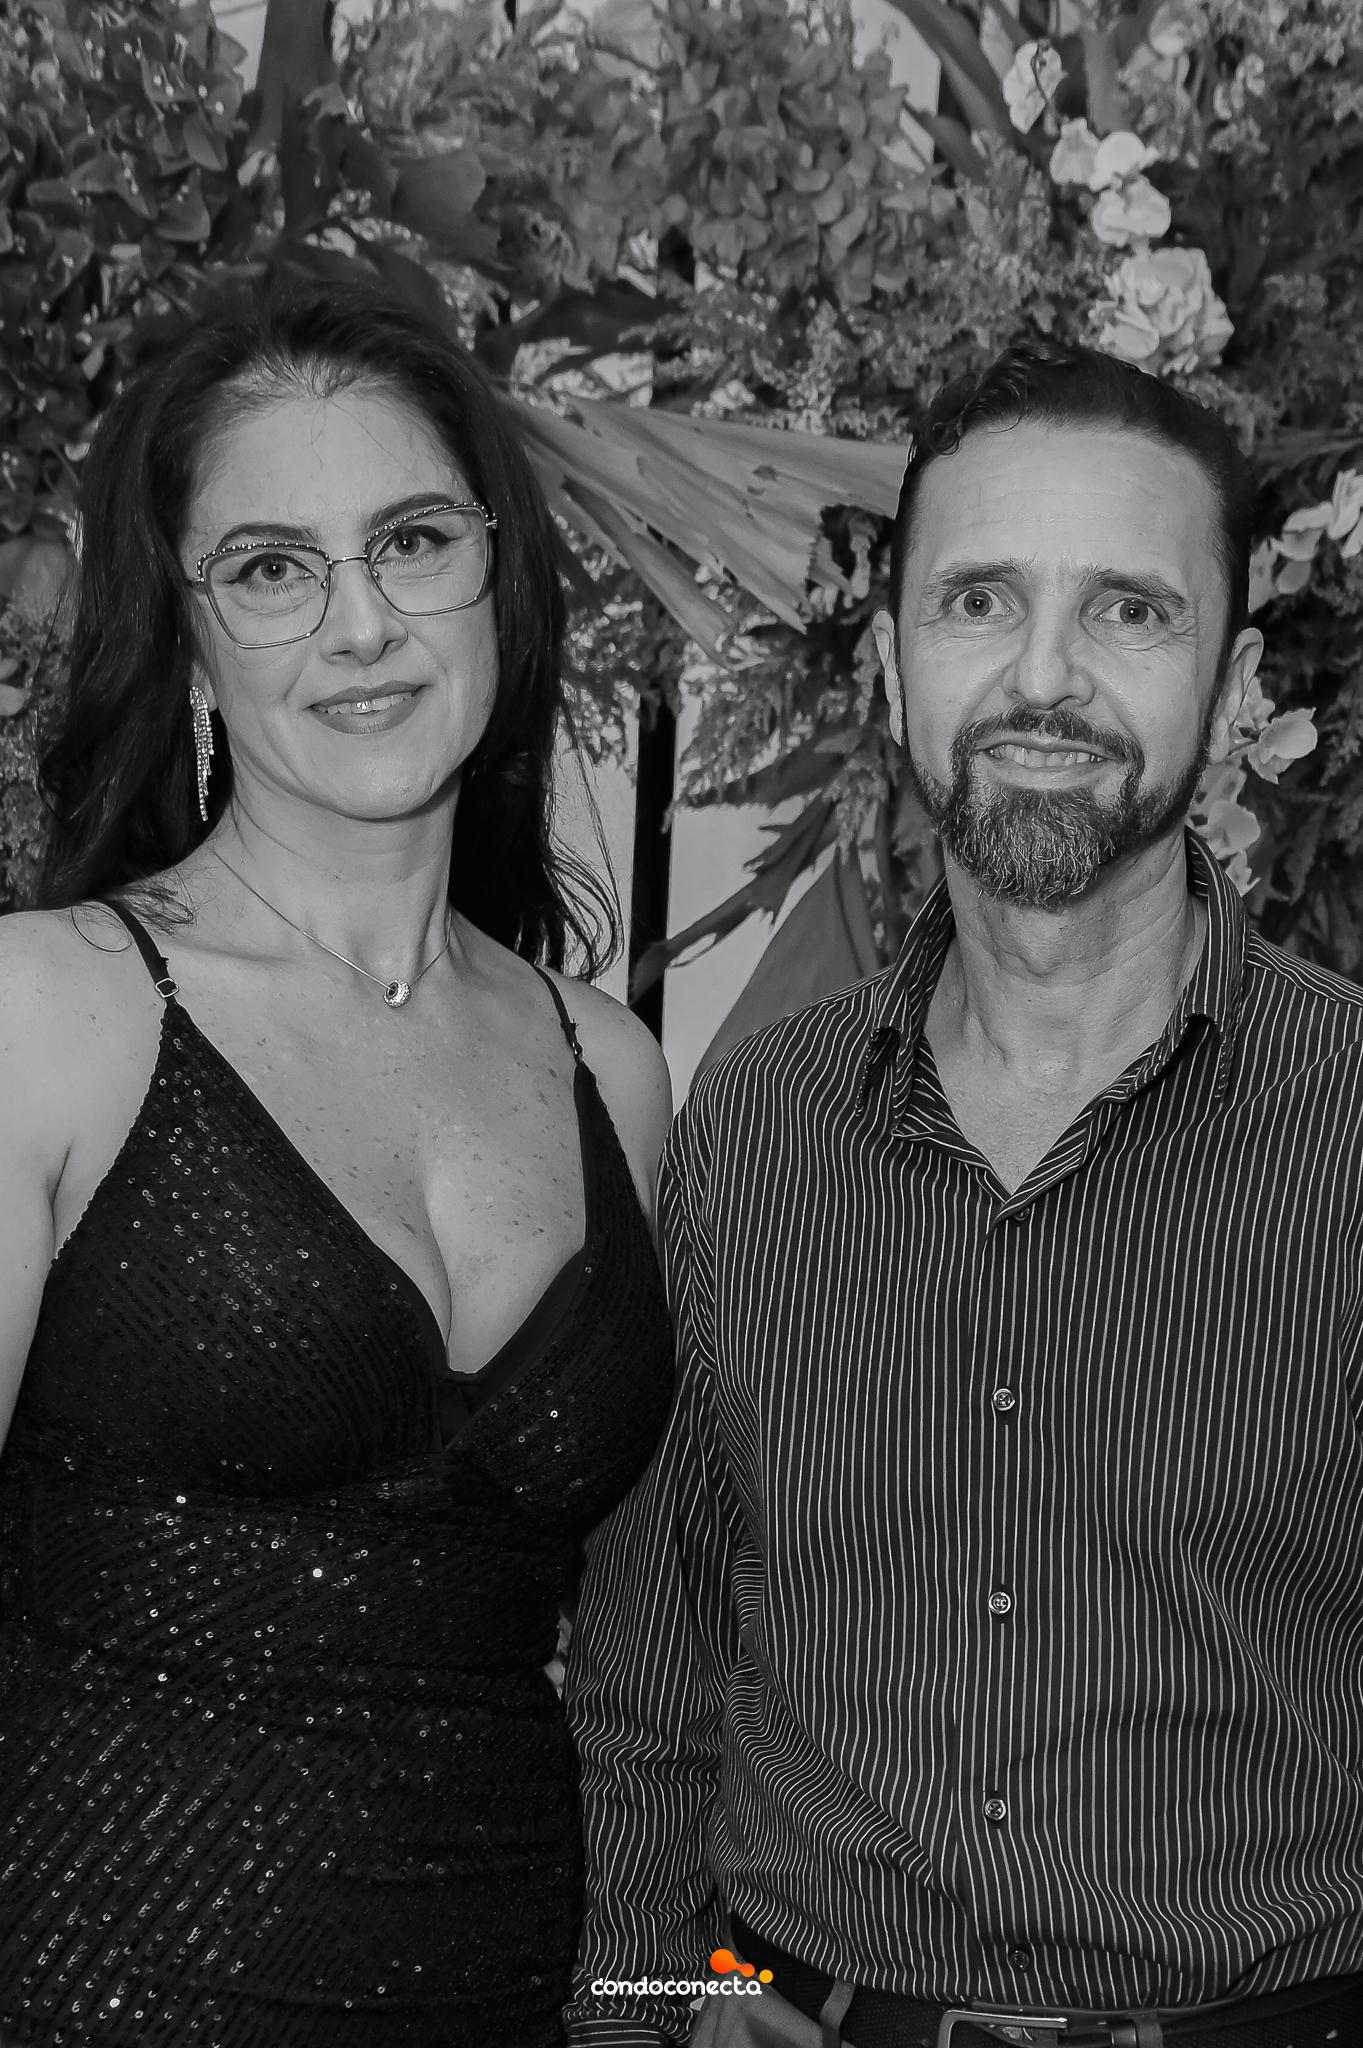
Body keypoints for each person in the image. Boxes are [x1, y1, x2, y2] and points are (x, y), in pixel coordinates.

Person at [563, 343, 1363, 2048]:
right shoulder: (755, 1126)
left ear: (1232, 681)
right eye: (980, 601)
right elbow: (648, 1672)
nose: (1045, 679)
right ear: (893, 660)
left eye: (1130, 611)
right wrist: (641, 2014)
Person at [0, 275, 675, 2048]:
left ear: (498, 581)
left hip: (524, 2000)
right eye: (273, 568)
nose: (362, 624)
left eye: (413, 541)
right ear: (188, 632)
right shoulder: (48, 1014)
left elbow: (641, 1673)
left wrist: (680, 1994)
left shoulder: (614, 1072)